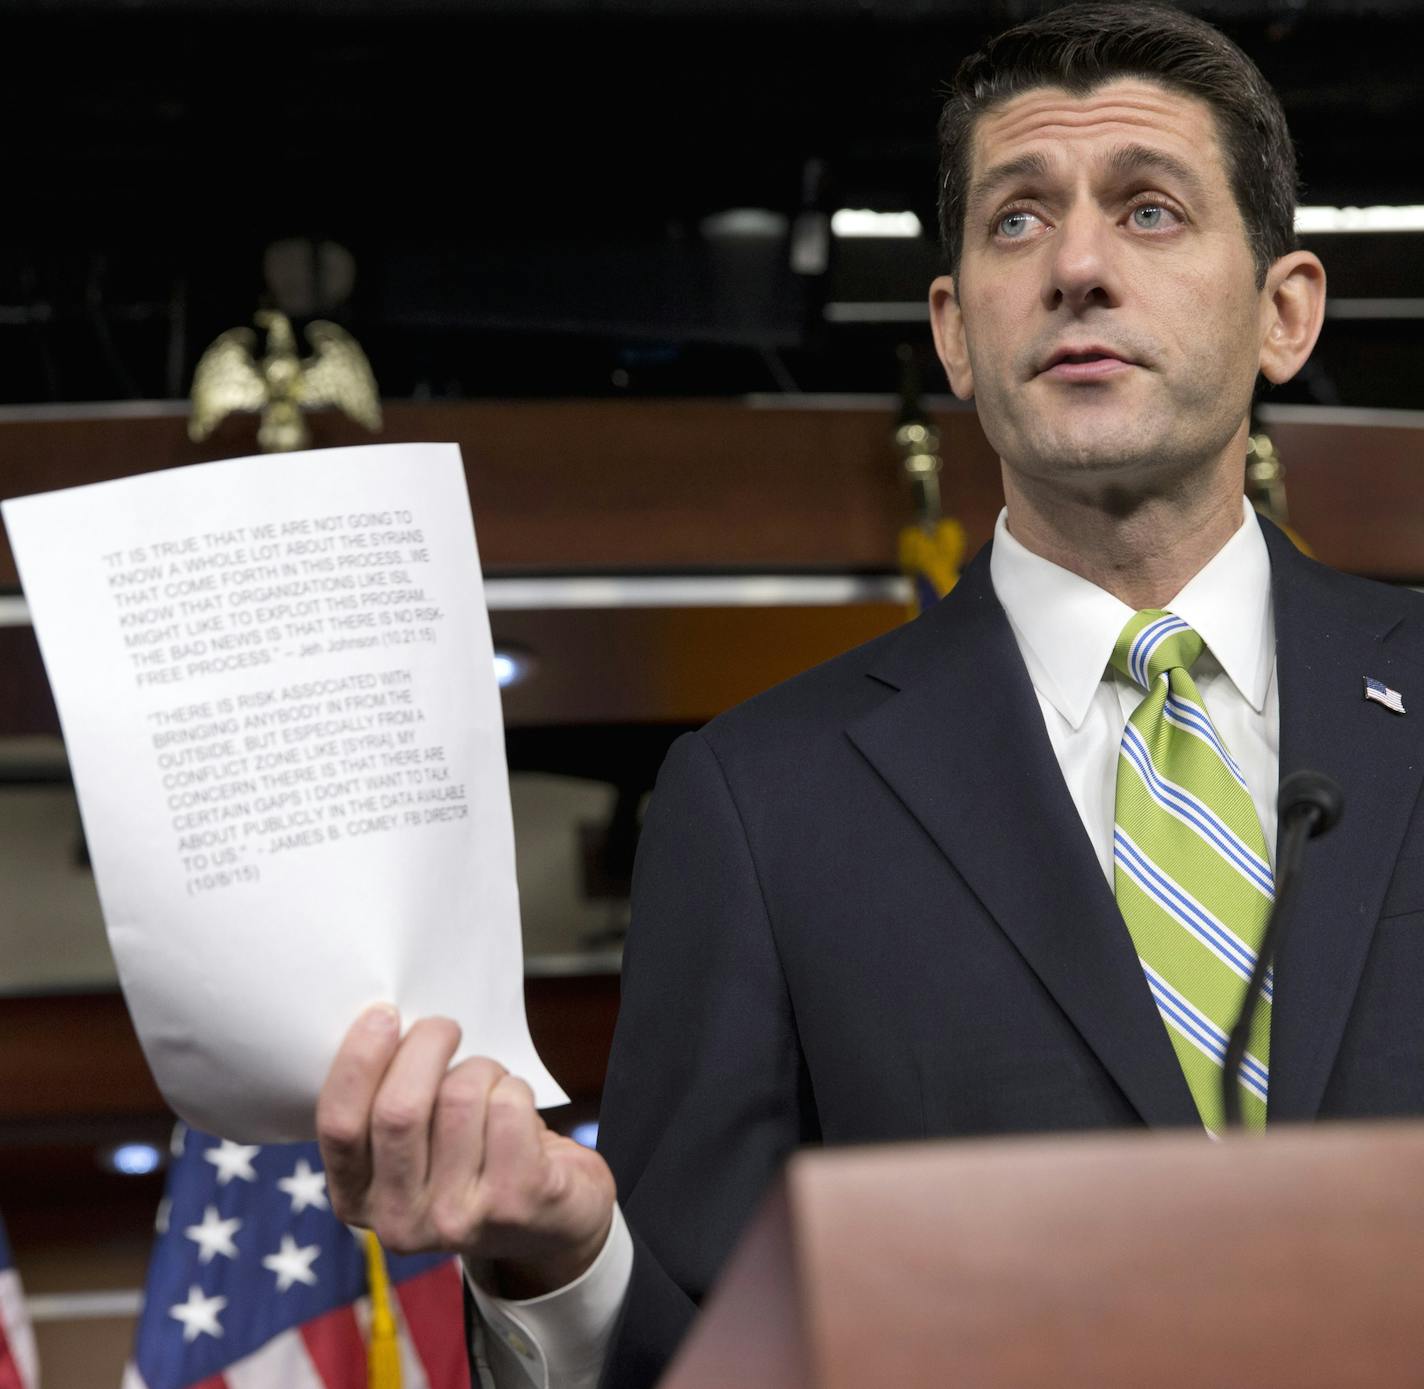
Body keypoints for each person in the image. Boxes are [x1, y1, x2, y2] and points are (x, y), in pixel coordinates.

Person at [316, 4, 1424, 1385]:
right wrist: (571, 1259)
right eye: (1018, 221)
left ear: (1285, 312)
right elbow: (710, 1351)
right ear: (955, 332)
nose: (1078, 264)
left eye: (1149, 210)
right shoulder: (762, 803)